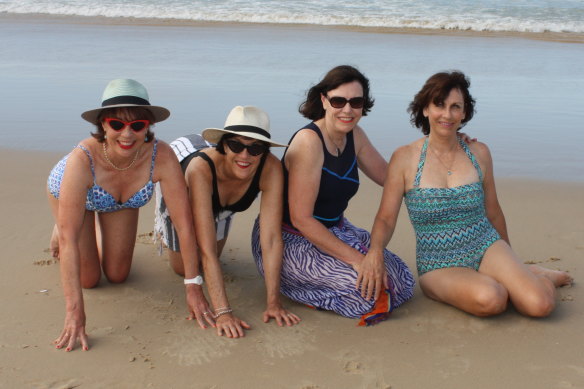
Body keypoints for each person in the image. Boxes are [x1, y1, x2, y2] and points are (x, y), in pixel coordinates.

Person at [366, 70, 573, 317]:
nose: (447, 114)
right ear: (425, 109)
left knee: (540, 305)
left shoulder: (479, 153)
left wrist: (511, 262)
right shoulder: (404, 158)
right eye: (439, 105)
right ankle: (528, 275)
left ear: (464, 113)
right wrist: (375, 252)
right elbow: (386, 218)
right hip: (439, 263)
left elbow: (493, 210)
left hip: (486, 245)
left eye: (456, 107)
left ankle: (538, 277)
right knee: (492, 299)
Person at [47, 79, 211, 351]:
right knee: (88, 279)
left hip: (121, 202)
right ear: (103, 125)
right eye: (117, 124)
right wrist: (75, 313)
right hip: (75, 194)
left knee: (117, 274)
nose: (127, 134)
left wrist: (193, 286)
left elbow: (184, 224)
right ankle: (63, 223)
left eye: (137, 125)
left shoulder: (162, 156)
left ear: (148, 126)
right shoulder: (81, 159)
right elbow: (70, 243)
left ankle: (90, 225)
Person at [252, 65, 415, 326]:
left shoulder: (355, 136)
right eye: (339, 101)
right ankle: (298, 287)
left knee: (400, 280)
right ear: (324, 100)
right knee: (368, 294)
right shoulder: (309, 142)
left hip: (334, 229)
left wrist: (442, 146)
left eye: (356, 102)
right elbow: (302, 219)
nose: (347, 110)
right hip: (291, 238)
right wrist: (359, 261)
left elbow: (391, 178)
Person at [155, 106, 300, 338]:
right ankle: (165, 227)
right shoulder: (200, 168)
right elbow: (206, 250)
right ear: (224, 143)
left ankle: (213, 218)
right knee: (184, 267)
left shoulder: (270, 168)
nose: (245, 155)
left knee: (210, 257)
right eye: (236, 145)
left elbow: (271, 239)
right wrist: (223, 312)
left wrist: (274, 302)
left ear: (264, 150)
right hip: (182, 174)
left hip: (223, 205)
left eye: (255, 148)